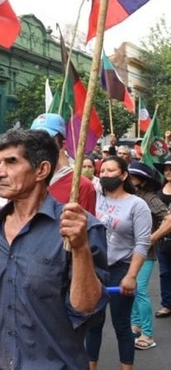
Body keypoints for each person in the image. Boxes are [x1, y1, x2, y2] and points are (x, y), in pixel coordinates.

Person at [0, 128, 108, 370]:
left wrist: (81, 248)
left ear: (42, 170)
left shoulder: (79, 228)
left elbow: (86, 308)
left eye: (11, 162)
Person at [86, 156, 151, 370]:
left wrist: (131, 276)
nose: (104, 174)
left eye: (110, 170)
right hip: (94, 268)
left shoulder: (137, 205)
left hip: (121, 269)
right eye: (102, 170)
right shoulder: (94, 196)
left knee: (122, 325)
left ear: (123, 175)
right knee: (93, 325)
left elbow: (142, 243)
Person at [128, 161, 169, 350]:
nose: (128, 178)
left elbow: (168, 218)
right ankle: (136, 325)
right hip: (127, 253)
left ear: (142, 180)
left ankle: (147, 334)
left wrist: (152, 238)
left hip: (146, 253)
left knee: (141, 291)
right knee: (132, 291)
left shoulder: (150, 198)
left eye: (132, 176)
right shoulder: (127, 196)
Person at [30, 113, 97, 215]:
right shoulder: (23, 179)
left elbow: (88, 228)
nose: (39, 146)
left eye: (47, 140)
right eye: (33, 141)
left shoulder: (82, 186)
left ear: (62, 145)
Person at [155, 155, 171, 318]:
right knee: (165, 272)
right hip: (163, 240)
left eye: (170, 169)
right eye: (166, 169)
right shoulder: (159, 191)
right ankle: (167, 304)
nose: (168, 172)